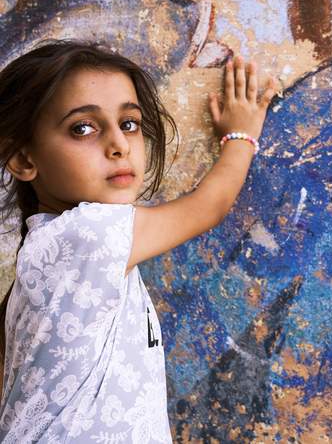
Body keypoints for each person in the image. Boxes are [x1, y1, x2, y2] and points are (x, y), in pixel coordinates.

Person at [0, 39, 277, 443]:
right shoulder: (91, 233)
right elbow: (208, 207)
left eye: (129, 123)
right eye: (83, 128)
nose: (119, 145)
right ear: (24, 159)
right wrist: (241, 135)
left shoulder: (46, 256)